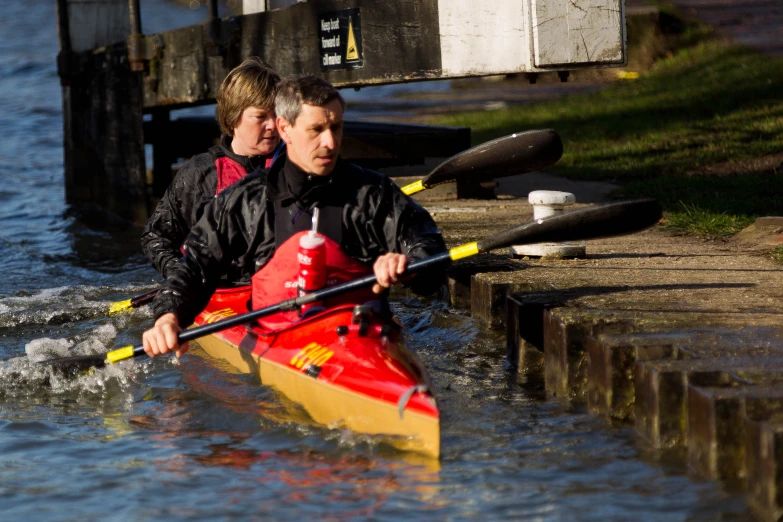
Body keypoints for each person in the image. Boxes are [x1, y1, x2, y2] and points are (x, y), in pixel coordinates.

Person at [142, 75, 447, 358]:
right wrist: (168, 316)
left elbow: (429, 247)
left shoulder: (373, 193)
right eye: (316, 130)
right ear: (285, 128)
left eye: (336, 127)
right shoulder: (247, 200)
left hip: (362, 339)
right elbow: (196, 267)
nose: (330, 142)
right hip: (278, 340)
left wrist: (409, 267)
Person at [141, 57, 283, 280]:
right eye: (261, 116)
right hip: (222, 290)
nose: (273, 125)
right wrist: (181, 276)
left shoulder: (295, 162)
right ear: (234, 116)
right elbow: (156, 236)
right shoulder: (199, 174)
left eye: (276, 114)